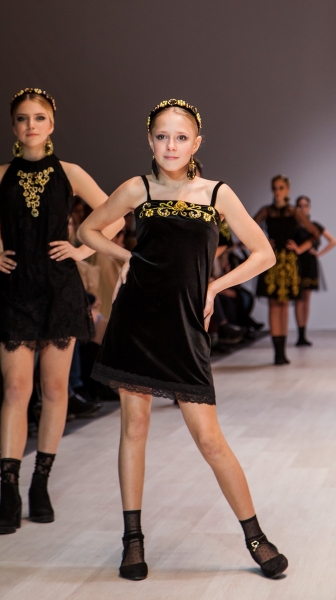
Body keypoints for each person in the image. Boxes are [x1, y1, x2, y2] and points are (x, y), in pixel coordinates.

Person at [79, 98, 288, 580]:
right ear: (149, 141)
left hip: (186, 326)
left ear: (196, 143)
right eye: (161, 136)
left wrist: (214, 286)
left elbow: (264, 254)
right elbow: (88, 230)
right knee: (134, 429)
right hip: (136, 321)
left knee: (210, 439)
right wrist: (125, 257)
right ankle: (133, 541)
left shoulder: (216, 193)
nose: (170, 145)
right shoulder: (137, 188)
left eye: (180, 137)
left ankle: (256, 537)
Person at [0, 87, 122, 535]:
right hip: (17, 290)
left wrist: (82, 250)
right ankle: (8, 491)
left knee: (55, 389)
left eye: (39, 117)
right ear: (14, 126)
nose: (31, 125)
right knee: (15, 390)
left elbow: (117, 216)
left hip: (60, 289)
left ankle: (40, 484)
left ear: (52, 124)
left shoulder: (70, 172)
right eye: (23, 118)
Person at [254, 175, 318, 364]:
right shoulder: (267, 211)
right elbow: (247, 227)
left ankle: (282, 352)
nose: (277, 191)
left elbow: (314, 233)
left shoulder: (294, 212)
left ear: (287, 190)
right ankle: (278, 353)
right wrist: (263, 242)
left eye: (281, 187)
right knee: (274, 305)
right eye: (275, 188)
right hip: (272, 260)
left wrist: (299, 248)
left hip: (289, 262)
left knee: (284, 305)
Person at [289, 195, 336, 346]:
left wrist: (318, 254)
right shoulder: (293, 226)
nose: (302, 208)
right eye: (300, 206)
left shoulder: (314, 225)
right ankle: (300, 334)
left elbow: (332, 241)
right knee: (298, 298)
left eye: (305, 206)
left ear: (309, 208)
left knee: (306, 299)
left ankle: (303, 333)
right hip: (296, 264)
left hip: (309, 264)